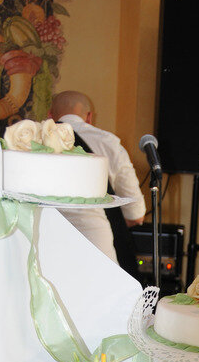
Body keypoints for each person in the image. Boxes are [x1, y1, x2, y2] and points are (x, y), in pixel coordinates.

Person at [50, 90, 145, 275]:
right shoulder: (108, 143)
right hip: (97, 251)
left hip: (48, 250)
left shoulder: (33, 143)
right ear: (89, 117)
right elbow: (136, 214)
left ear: (49, 116)